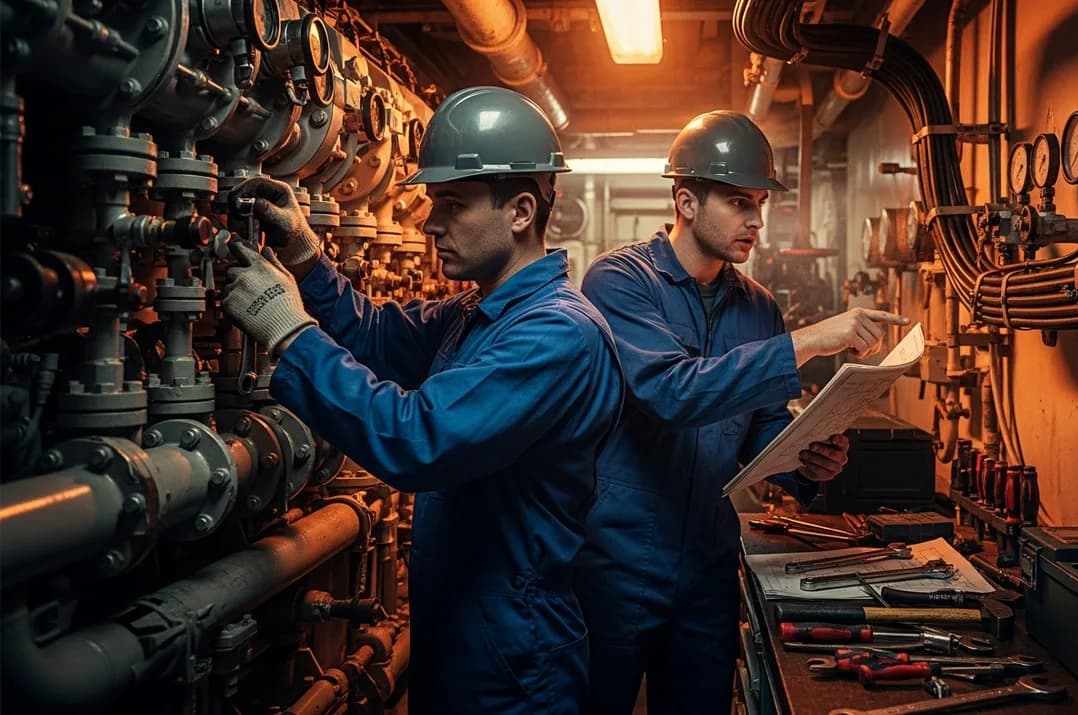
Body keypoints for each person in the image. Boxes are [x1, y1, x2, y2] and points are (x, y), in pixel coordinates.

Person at [220, 86, 624, 715]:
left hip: (513, 658)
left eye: (453, 204)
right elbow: (376, 336)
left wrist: (288, 333)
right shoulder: (482, 312)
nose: (433, 223)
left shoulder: (556, 335)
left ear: (521, 211)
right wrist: (305, 259)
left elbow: (418, 440)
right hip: (466, 629)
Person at [574, 110, 909, 714]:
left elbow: (758, 424)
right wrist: (808, 341)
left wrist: (806, 459)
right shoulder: (619, 283)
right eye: (738, 202)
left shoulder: (756, 306)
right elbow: (674, 393)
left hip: (706, 567)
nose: (757, 220)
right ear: (685, 201)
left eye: (760, 202)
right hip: (615, 566)